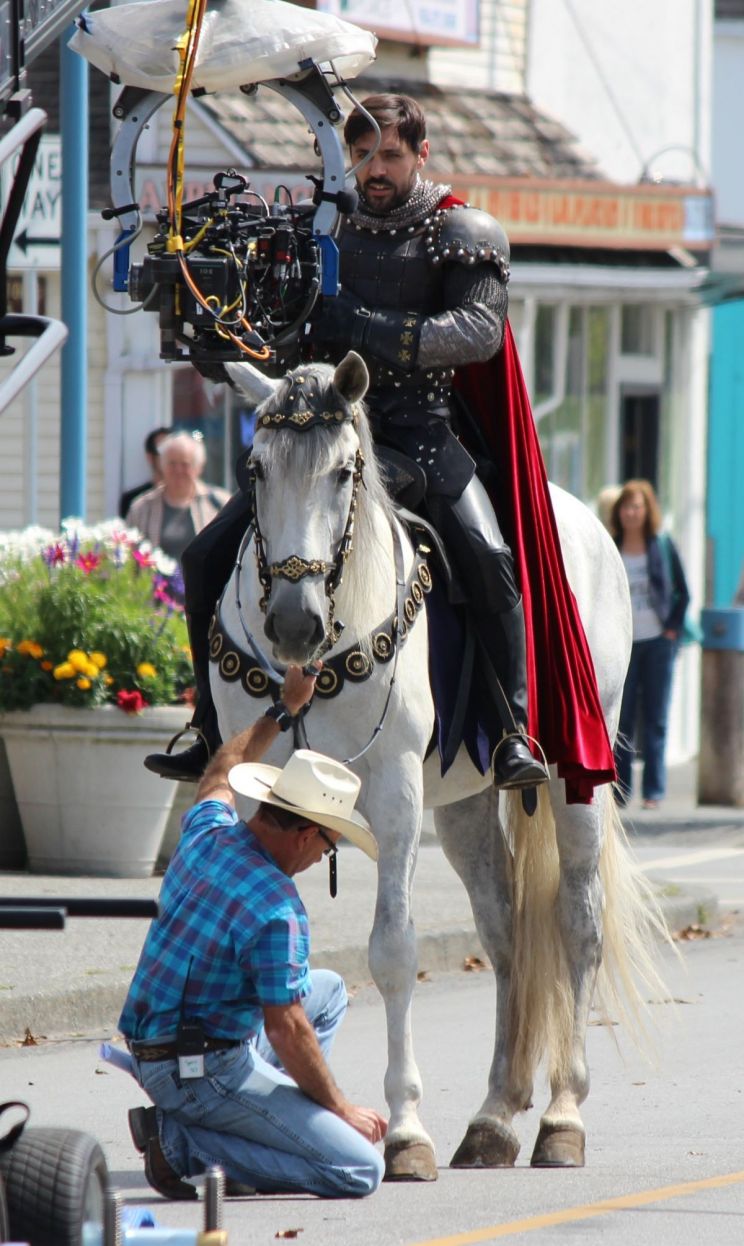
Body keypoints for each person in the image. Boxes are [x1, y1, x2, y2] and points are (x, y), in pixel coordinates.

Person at [144, 92, 552, 793]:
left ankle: (513, 727)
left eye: (390, 154)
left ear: (420, 155)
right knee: (208, 556)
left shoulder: (461, 230)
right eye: (363, 154)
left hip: (421, 443)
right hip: (318, 444)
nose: (375, 169)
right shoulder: (315, 232)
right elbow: (280, 338)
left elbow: (475, 334)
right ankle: (208, 725)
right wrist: (219, 341)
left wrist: (358, 321)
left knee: (488, 557)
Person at [120, 663, 387, 1201]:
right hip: (201, 1072)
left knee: (329, 990)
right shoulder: (277, 908)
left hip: (156, 1047)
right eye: (328, 848)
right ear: (308, 834)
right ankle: (179, 1146)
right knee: (361, 1169)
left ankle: (261, 1133)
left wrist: (283, 710)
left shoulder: (207, 829)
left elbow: (223, 766)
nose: (320, 859)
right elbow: (287, 1029)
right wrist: (339, 1109)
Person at [610, 479, 691, 808]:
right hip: (623, 645)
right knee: (622, 718)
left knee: (655, 718)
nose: (632, 512)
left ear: (648, 511)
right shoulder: (610, 544)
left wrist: (672, 629)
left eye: (637, 506)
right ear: (619, 512)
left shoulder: (662, 545)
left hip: (658, 643)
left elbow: (683, 593)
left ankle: (654, 793)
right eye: (627, 506)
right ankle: (621, 789)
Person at [126, 431, 231, 565]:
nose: (178, 470)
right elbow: (128, 556)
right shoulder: (141, 508)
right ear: (162, 465)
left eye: (185, 464)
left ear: (198, 468)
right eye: (172, 463)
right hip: (155, 585)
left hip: (202, 585)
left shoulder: (219, 503)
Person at [119, 426, 171, 519]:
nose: (170, 459)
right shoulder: (132, 500)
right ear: (150, 457)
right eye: (163, 452)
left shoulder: (195, 498)